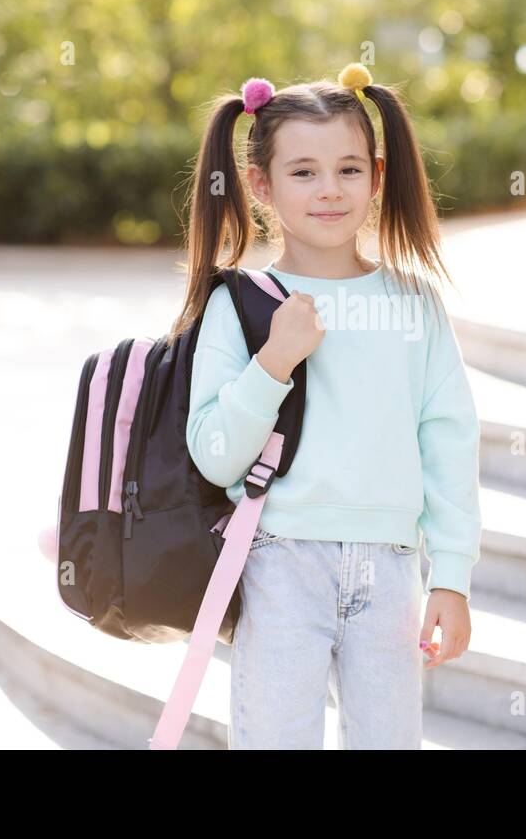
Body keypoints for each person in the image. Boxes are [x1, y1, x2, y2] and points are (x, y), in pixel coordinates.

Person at [167, 63, 482, 749]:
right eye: (303, 172)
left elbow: (450, 441)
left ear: (375, 174)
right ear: (261, 184)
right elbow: (214, 451)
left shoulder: (414, 304)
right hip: (280, 561)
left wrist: (451, 576)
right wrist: (274, 361)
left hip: (392, 571)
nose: (330, 190)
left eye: (348, 169)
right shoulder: (239, 304)